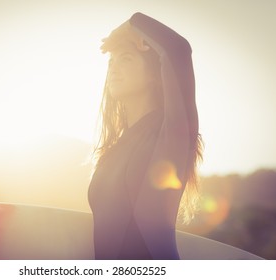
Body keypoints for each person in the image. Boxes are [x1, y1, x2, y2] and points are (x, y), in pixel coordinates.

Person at [88, 12, 203, 260]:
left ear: (155, 75)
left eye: (126, 59)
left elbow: (178, 49)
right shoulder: (114, 149)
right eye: (111, 63)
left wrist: (129, 26)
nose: (114, 69)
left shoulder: (171, 134)